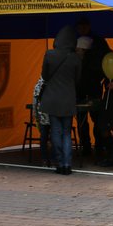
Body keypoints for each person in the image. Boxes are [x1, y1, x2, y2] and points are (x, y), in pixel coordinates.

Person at [40, 25, 82, 175]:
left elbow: (44, 76)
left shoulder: (49, 54)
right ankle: (67, 164)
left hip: (52, 99)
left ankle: (59, 164)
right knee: (66, 133)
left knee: (55, 132)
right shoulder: (75, 58)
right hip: (68, 100)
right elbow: (78, 79)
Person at [76, 16, 111, 158]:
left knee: (97, 118)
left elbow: (109, 58)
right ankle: (85, 146)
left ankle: (99, 145)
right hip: (79, 86)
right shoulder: (74, 42)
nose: (82, 29)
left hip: (94, 85)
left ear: (89, 26)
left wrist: (103, 77)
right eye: (80, 26)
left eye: (84, 26)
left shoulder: (98, 42)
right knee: (81, 119)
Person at [32, 76, 51, 167]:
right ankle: (55, 159)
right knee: (56, 137)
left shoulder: (38, 85)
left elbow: (35, 101)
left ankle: (44, 160)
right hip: (54, 115)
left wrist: (35, 115)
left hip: (42, 115)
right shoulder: (55, 82)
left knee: (43, 138)